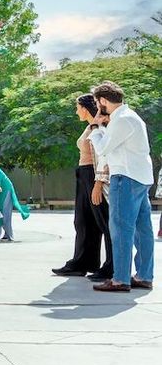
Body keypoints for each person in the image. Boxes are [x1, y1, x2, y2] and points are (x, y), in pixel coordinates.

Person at [87, 82, 154, 292]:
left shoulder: (121, 120)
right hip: (140, 177)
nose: (97, 107)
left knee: (121, 230)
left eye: (97, 102)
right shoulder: (131, 117)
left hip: (125, 177)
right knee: (142, 230)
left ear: (103, 101)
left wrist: (95, 128)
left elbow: (103, 149)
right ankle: (144, 275)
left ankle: (120, 279)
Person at [53, 94, 112, 278]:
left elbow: (104, 156)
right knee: (84, 221)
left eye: (77, 108)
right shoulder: (90, 126)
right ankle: (82, 263)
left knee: (104, 221)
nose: (76, 111)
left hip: (94, 175)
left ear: (85, 109)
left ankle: (111, 267)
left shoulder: (100, 126)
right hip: (84, 174)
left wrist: (98, 183)